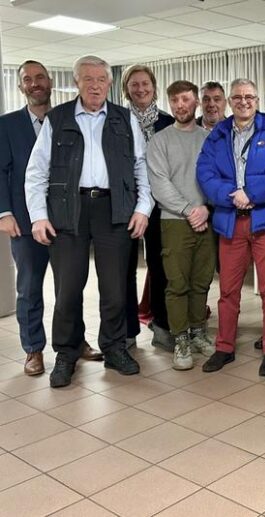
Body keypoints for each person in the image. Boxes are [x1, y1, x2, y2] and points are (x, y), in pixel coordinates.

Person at [25, 55, 152, 388]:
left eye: (101, 79)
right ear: (76, 82)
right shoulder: (58, 119)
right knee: (68, 290)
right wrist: (38, 216)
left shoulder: (125, 120)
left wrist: (143, 208)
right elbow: (36, 172)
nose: (95, 85)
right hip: (69, 212)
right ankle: (66, 353)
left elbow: (141, 168)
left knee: (114, 289)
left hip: (115, 210)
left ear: (109, 84)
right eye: (88, 79)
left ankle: (114, 349)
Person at [0, 60, 102, 376]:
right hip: (26, 223)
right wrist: (3, 212)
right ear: (21, 87)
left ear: (50, 82)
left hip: (67, 220)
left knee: (70, 287)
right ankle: (33, 349)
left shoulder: (68, 119)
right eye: (27, 79)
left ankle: (75, 341)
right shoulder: (6, 125)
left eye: (40, 77)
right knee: (30, 288)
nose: (35, 83)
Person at [197, 78, 265, 377]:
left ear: (257, 99)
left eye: (249, 96)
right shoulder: (218, 134)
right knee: (228, 291)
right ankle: (224, 347)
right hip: (230, 220)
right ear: (229, 101)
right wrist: (231, 196)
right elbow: (205, 173)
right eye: (237, 97)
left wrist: (251, 193)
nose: (243, 101)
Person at [147, 80, 216, 370]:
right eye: (174, 100)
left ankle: (199, 330)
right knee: (177, 283)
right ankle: (181, 339)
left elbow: (218, 176)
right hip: (175, 221)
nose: (180, 105)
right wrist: (190, 210)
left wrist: (206, 209)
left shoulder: (209, 138)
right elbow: (159, 185)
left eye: (185, 99)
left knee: (202, 281)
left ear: (196, 102)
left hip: (207, 219)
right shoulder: (159, 140)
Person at [122, 64, 175, 351]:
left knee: (160, 267)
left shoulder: (167, 122)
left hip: (161, 206)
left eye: (145, 84)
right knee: (125, 269)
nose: (140, 89)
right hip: (125, 206)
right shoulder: (115, 120)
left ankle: (162, 326)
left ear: (154, 87)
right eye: (134, 85)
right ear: (126, 89)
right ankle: (129, 330)